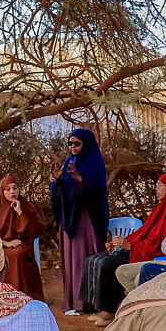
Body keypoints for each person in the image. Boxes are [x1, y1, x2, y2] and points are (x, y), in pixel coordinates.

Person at [81, 173, 166, 327]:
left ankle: (110, 310)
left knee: (109, 265)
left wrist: (130, 246)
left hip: (151, 255)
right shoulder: (161, 208)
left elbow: (160, 246)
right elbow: (144, 234)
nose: (156, 189)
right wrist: (124, 243)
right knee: (95, 259)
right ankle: (102, 306)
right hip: (141, 249)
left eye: (160, 185)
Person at [50, 128, 109, 313]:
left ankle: (92, 302)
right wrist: (58, 181)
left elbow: (98, 190)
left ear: (86, 144)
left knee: (86, 257)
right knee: (72, 259)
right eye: (70, 143)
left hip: (88, 219)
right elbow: (62, 192)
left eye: (77, 143)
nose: (73, 147)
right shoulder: (69, 161)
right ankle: (75, 303)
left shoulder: (95, 162)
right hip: (71, 220)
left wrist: (80, 178)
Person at [0, 176, 44, 300]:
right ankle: (3, 298)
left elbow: (36, 230)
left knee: (17, 254)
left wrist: (20, 213)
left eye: (15, 188)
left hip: (22, 245)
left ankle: (20, 297)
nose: (12, 192)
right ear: (2, 192)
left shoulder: (26, 207)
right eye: (8, 189)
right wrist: (4, 242)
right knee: (5, 255)